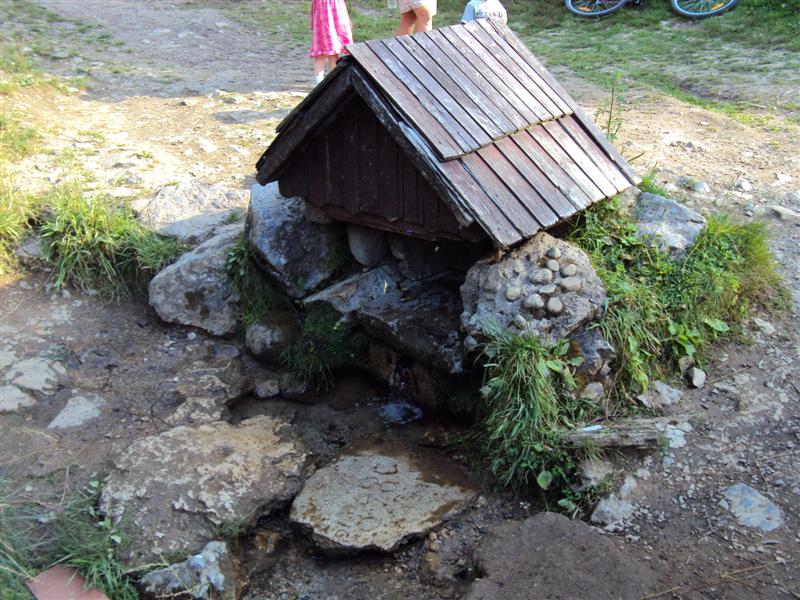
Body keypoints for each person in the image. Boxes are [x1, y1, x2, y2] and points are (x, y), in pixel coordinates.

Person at [310, 0, 353, 85]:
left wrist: (347, 18)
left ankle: (335, 81)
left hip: (335, 10)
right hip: (324, 12)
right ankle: (319, 82)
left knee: (333, 52)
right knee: (321, 52)